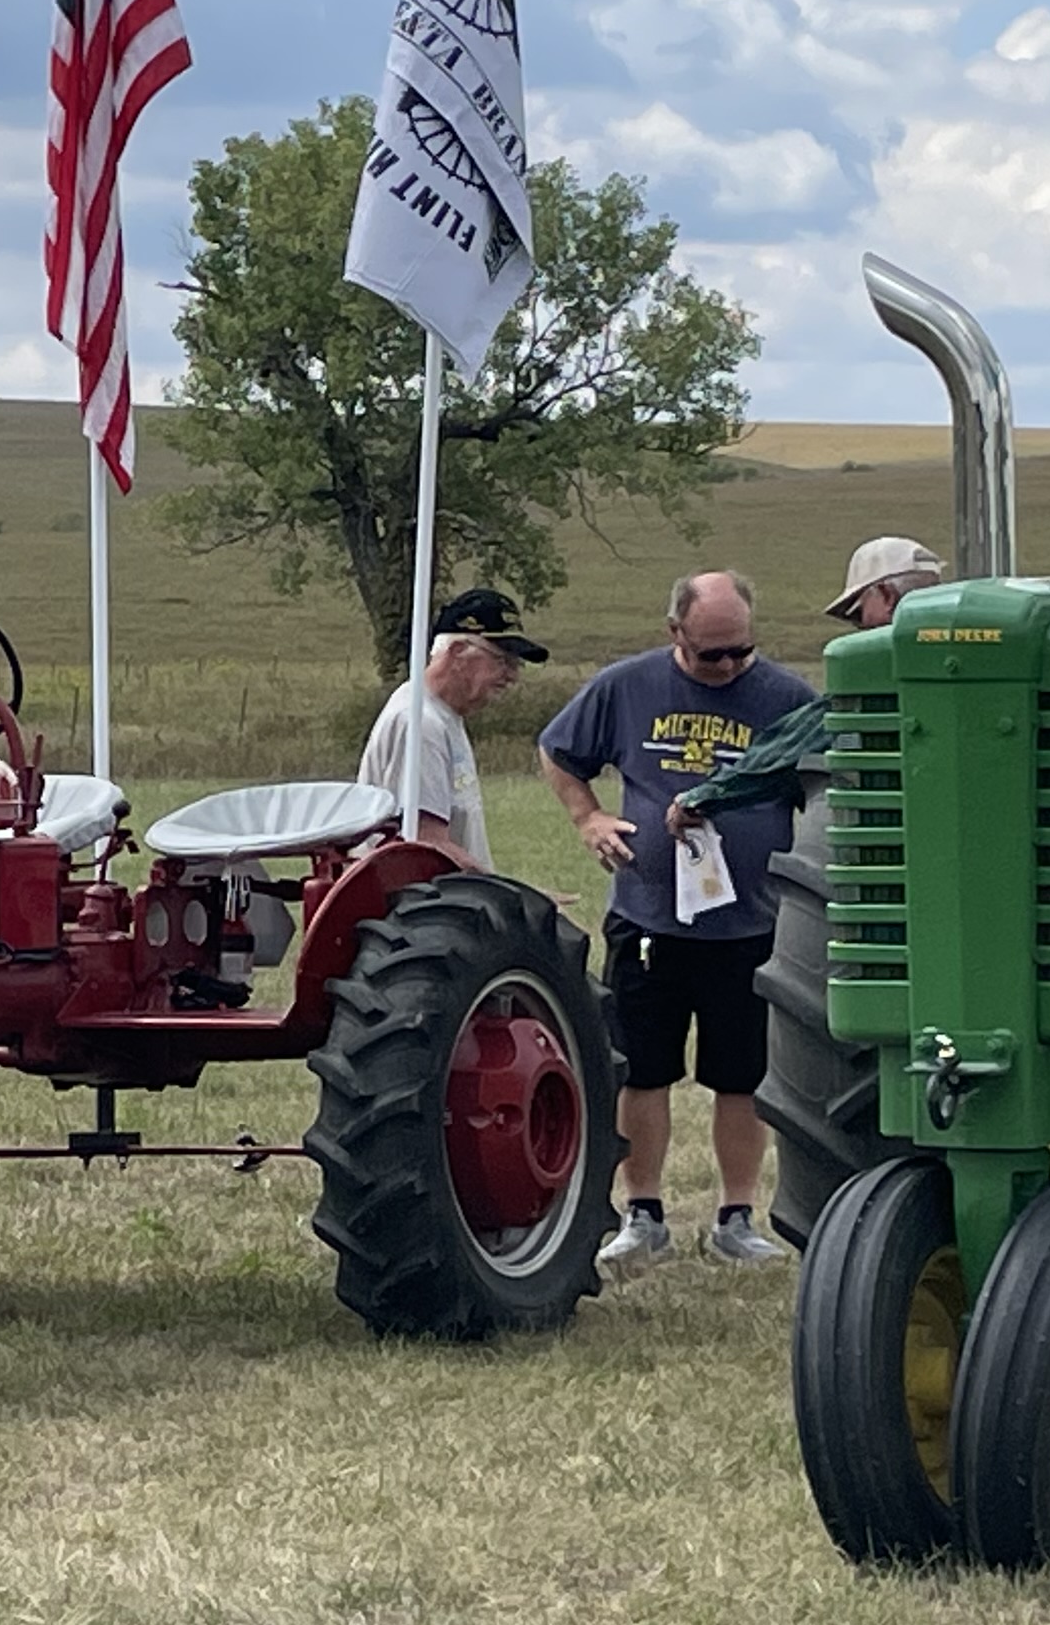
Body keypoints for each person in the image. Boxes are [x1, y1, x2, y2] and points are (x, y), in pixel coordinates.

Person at [535, 570, 820, 1267]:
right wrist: (589, 817)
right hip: (648, 920)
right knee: (643, 1068)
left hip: (751, 924)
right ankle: (645, 1214)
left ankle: (735, 1218)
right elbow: (557, 751)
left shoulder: (788, 699)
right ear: (674, 635)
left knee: (741, 1075)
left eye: (740, 653)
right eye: (709, 655)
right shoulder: (626, 686)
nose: (726, 668)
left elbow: (822, 786)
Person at [668, 533, 942, 834]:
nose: (859, 628)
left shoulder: (885, 671)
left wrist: (701, 798)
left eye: (859, 613)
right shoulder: (956, 656)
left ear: (886, 595)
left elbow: (793, 747)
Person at [357, 588, 549, 865]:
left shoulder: (441, 715)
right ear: (458, 652)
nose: (512, 676)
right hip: (423, 904)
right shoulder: (421, 724)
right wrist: (516, 897)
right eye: (502, 660)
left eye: (515, 664)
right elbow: (427, 843)